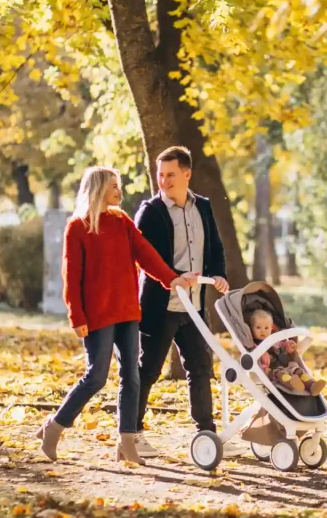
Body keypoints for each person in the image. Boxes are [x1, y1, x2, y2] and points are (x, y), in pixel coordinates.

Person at [36, 166, 196, 464]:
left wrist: (171, 278)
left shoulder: (121, 221)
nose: (119, 191)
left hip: (127, 312)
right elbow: (72, 277)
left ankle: (126, 444)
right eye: (113, 186)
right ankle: (54, 427)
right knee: (96, 377)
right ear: (98, 189)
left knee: (131, 377)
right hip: (97, 316)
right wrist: (77, 317)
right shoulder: (78, 227)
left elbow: (145, 253)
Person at [133, 146, 242, 457]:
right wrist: (178, 276)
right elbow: (146, 259)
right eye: (160, 175)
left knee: (200, 367)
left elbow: (215, 248)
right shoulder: (151, 211)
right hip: (161, 304)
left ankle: (206, 434)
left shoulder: (203, 208)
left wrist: (217, 274)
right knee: (149, 368)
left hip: (194, 305)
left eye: (170, 175)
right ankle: (132, 433)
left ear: (186, 174)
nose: (163, 181)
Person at [247, 308, 326, 395]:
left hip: (287, 365)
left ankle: (312, 386)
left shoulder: (275, 340)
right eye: (258, 327)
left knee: (299, 371)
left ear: (271, 329)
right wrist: (261, 355)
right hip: (273, 371)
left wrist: (289, 345)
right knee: (282, 375)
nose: (262, 330)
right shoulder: (254, 346)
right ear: (251, 329)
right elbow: (255, 357)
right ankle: (292, 384)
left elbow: (283, 345)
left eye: (266, 328)